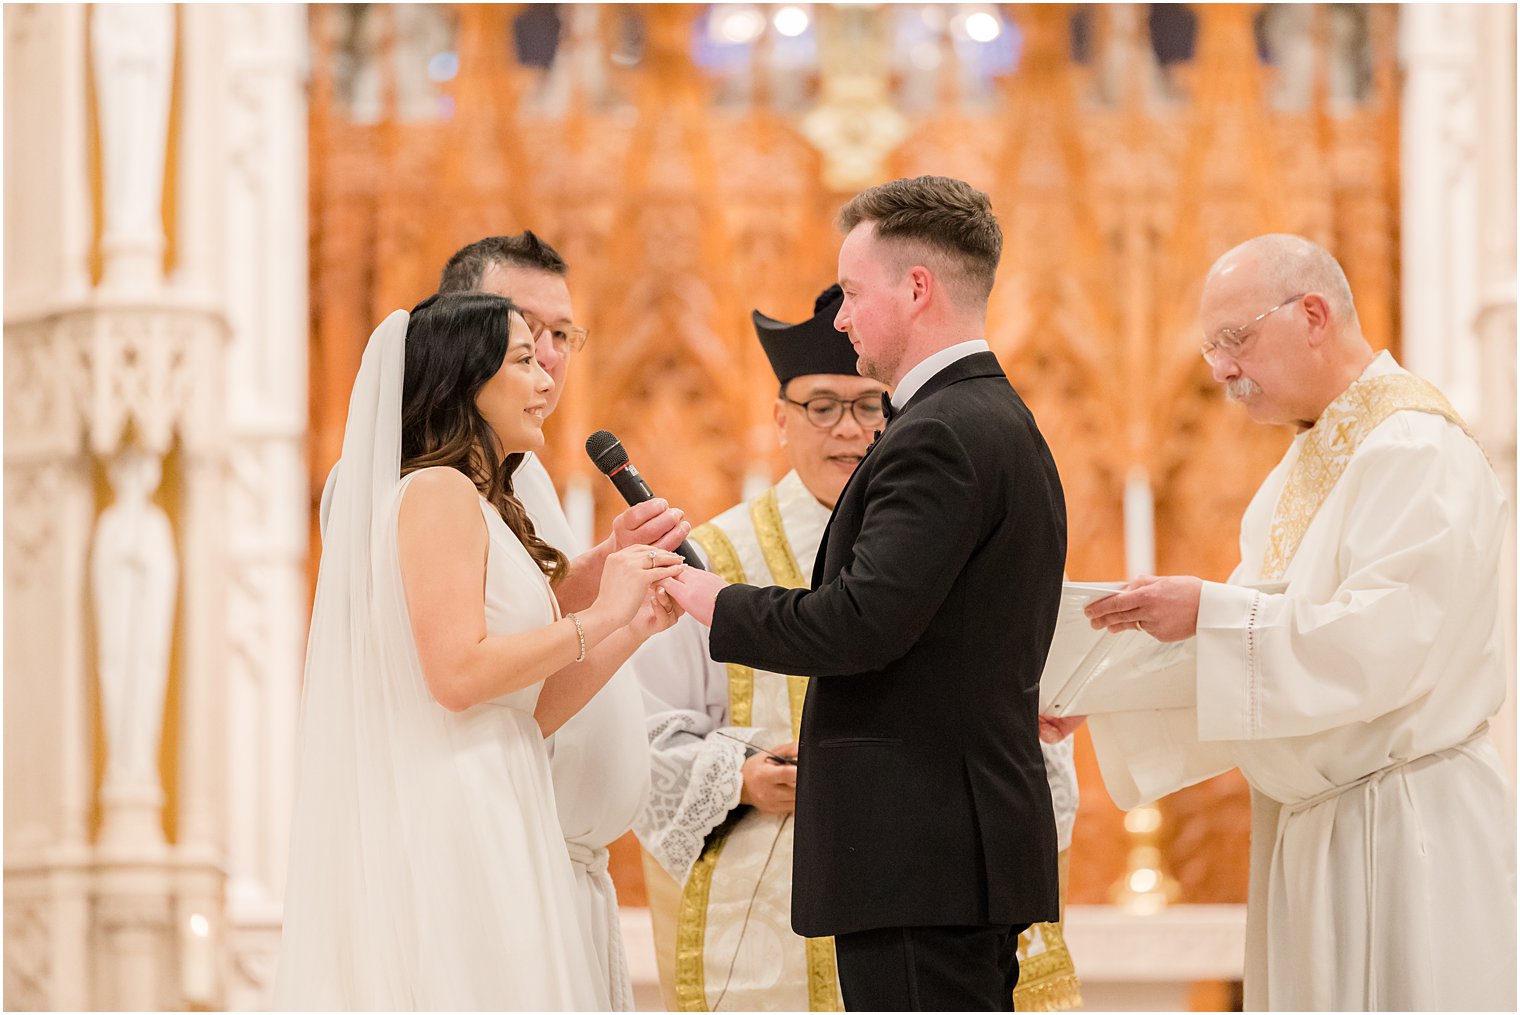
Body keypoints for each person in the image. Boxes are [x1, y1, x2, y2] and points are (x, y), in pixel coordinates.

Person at [1074, 234, 1516, 1011]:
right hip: (1320, 829)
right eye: (1211, 348)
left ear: (1313, 312)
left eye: (1234, 340)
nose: (1219, 371)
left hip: (1406, 832)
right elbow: (1256, 655)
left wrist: (1207, 610)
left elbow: (1374, 645)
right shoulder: (1298, 472)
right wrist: (1094, 693)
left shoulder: (1415, 447)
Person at [662, 176, 1068, 1011]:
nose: (840, 317)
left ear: (916, 288)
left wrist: (708, 596)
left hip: (918, 856)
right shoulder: (994, 418)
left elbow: (858, 623)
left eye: (851, 292)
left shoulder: (938, 434)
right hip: (944, 852)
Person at [276, 292, 686, 1009]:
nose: (547, 380)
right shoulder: (435, 491)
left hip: (504, 790)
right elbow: (458, 675)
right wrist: (600, 614)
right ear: (468, 380)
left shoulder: (483, 503)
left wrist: (631, 624)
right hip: (452, 808)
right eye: (525, 360)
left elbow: (530, 710)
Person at [436, 232, 691, 1009]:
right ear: (457, 334)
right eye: (523, 334)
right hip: (492, 869)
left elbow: (530, 694)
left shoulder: (520, 475)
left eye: (561, 336)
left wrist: (623, 605)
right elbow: (459, 675)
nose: (546, 357)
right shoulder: (423, 483)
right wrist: (599, 612)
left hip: (569, 873)